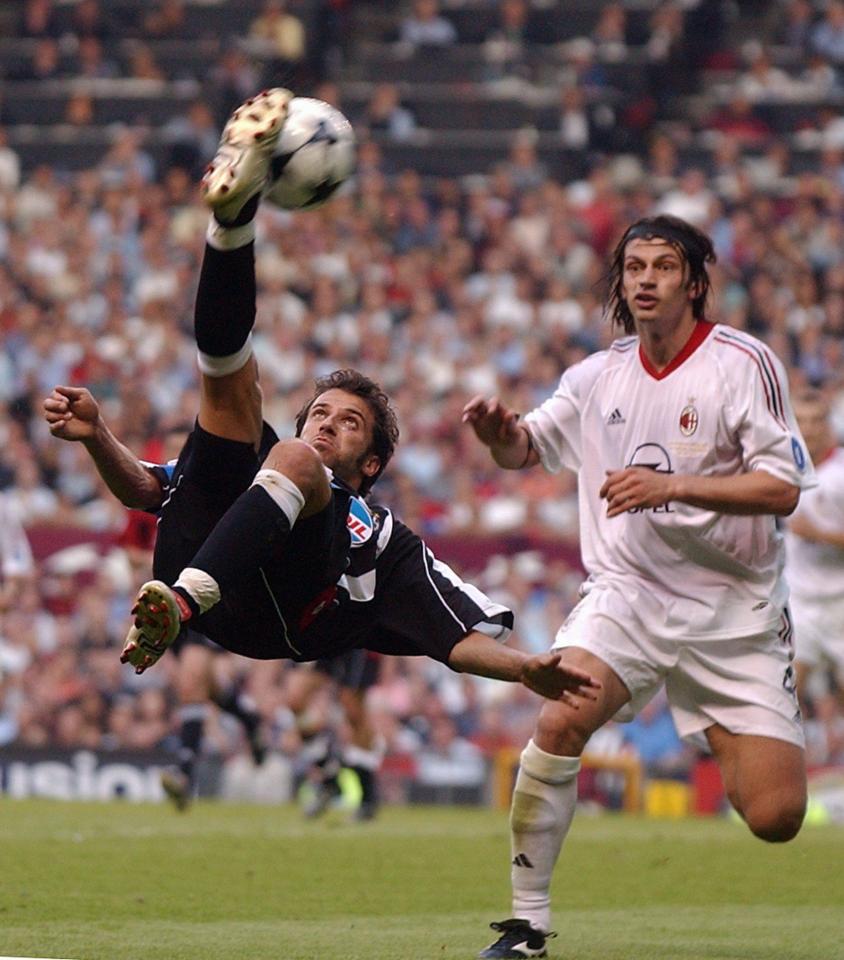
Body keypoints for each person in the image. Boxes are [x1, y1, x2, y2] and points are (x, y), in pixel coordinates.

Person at [43, 89, 599, 733]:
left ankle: (184, 603)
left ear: (371, 466)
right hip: (199, 570)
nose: (328, 423)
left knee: (286, 457)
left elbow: (455, 638)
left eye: (349, 423)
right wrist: (96, 437)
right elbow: (149, 490)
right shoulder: (277, 459)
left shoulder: (386, 540)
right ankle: (232, 220)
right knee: (234, 401)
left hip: (278, 614)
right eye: (322, 413)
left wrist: (527, 666)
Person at [463, 214, 815, 959]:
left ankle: (712, 715)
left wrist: (670, 486)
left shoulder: (742, 363)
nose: (646, 279)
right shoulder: (597, 377)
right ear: (620, 281)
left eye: (662, 266)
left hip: (734, 610)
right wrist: (500, 436)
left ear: (694, 281)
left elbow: (782, 490)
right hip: (630, 593)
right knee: (559, 719)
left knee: (776, 816)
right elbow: (527, 446)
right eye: (634, 267)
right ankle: (526, 925)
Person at [783, 388, 844, 708]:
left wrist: (819, 534)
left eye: (816, 420)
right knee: (785, 694)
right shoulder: (783, 470)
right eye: (801, 420)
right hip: (800, 601)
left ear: (828, 425)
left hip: (840, 602)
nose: (808, 428)